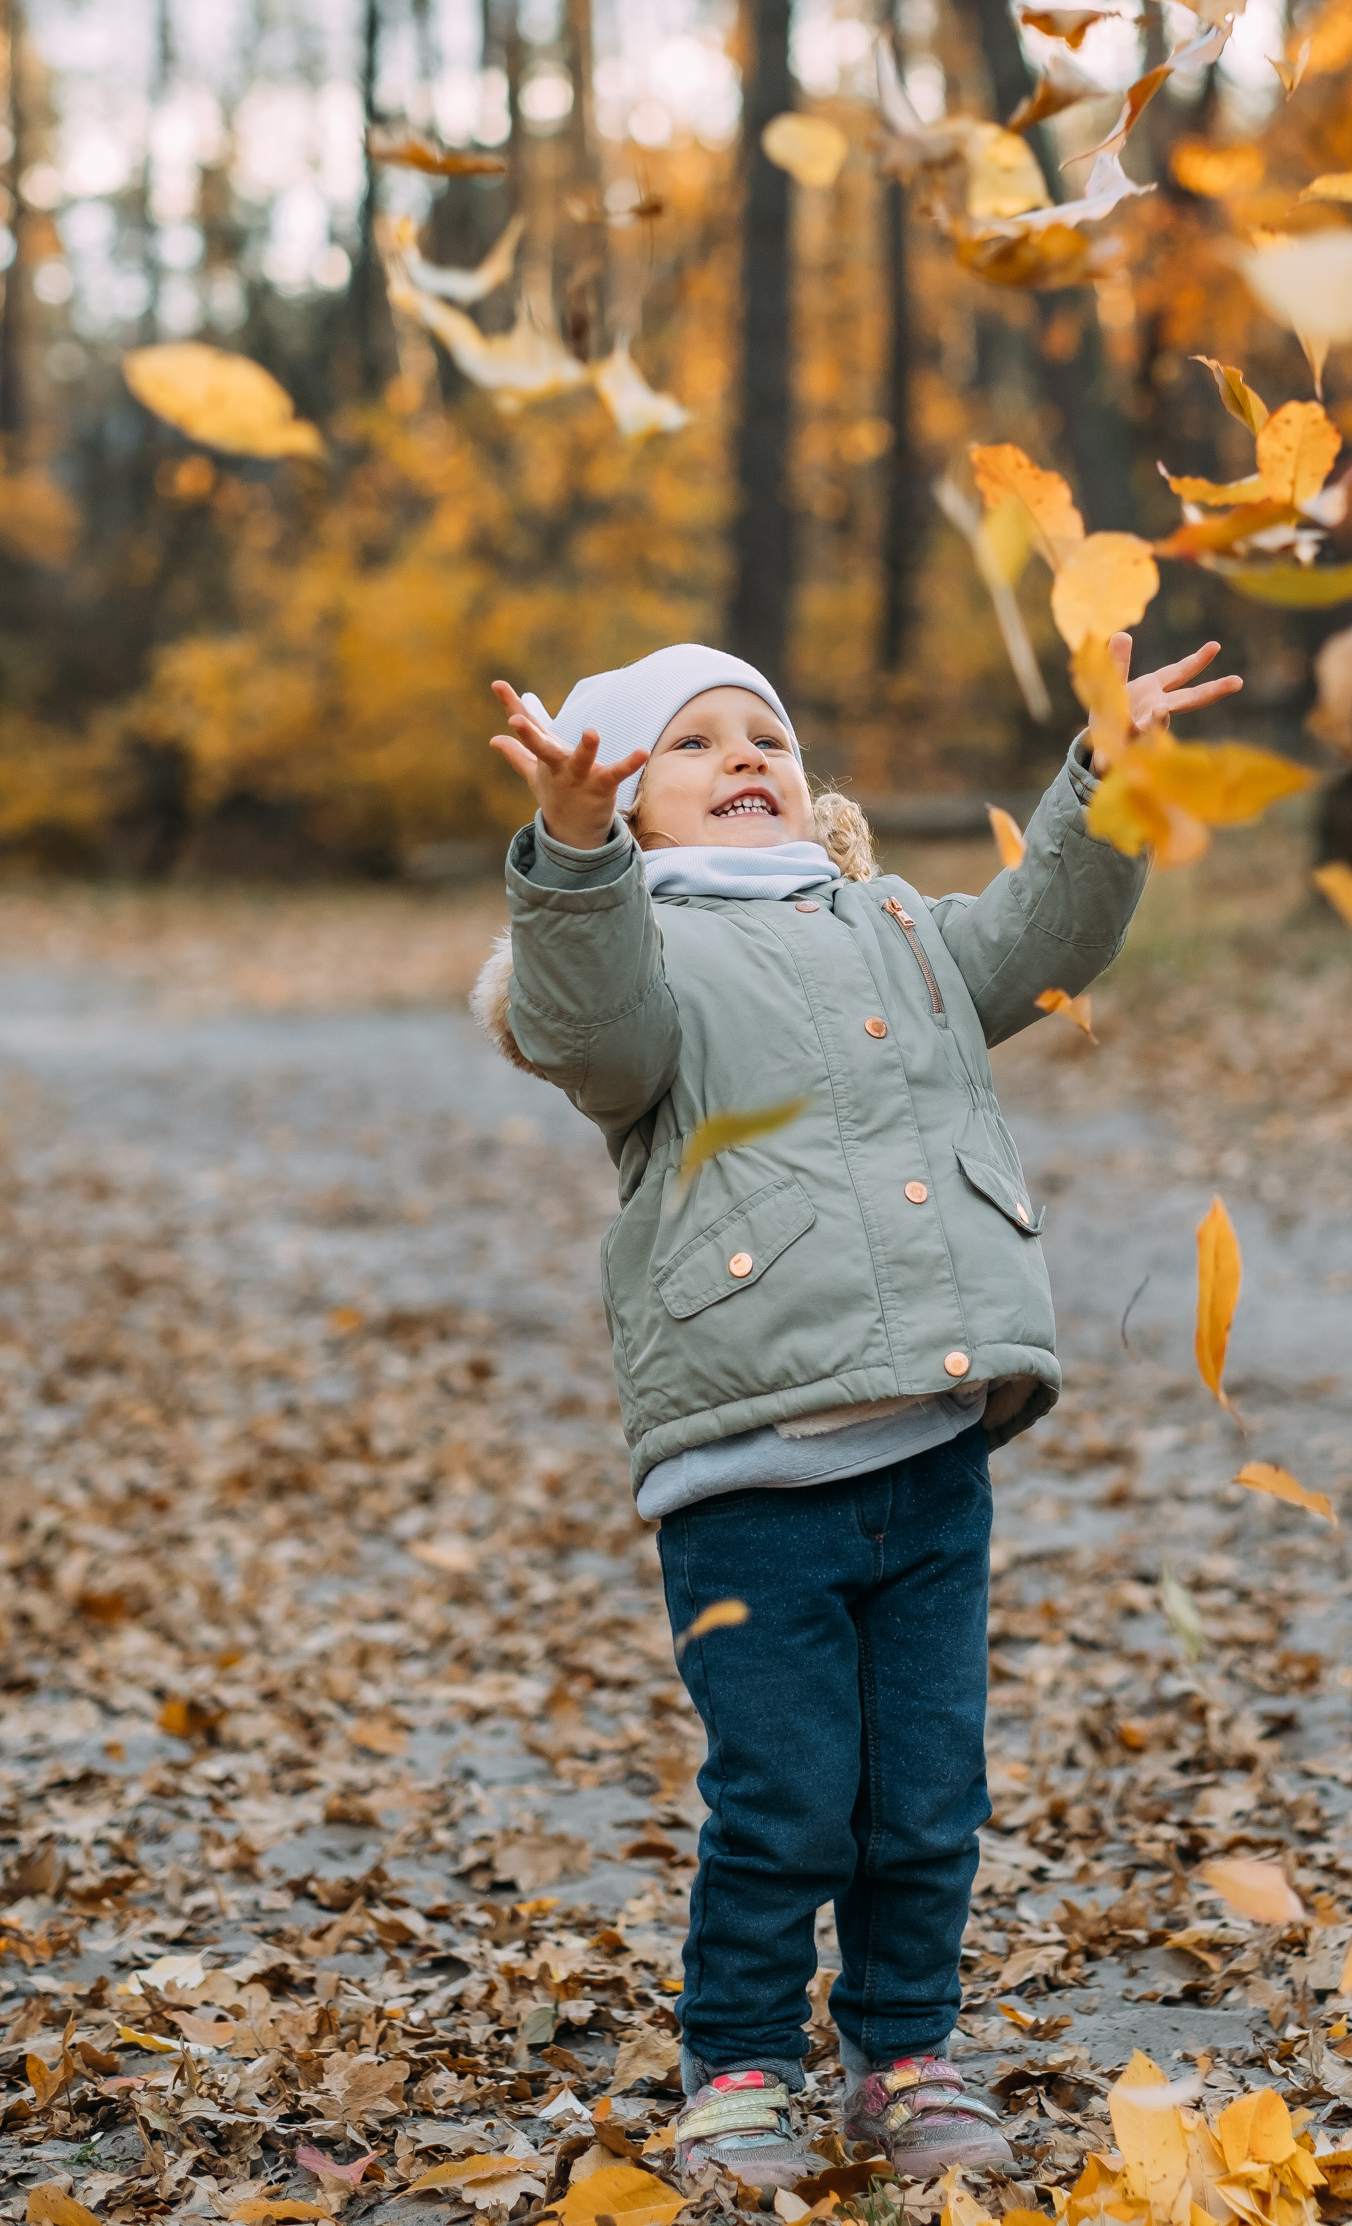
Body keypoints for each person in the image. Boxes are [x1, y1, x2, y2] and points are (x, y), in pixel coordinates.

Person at [475, 635, 1239, 2198]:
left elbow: (1046, 939)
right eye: (690, 744)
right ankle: (740, 2061)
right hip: (753, 1476)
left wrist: (1107, 774)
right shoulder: (640, 959)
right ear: (632, 804)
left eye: (766, 730)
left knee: (925, 1797)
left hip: (933, 1459)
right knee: (784, 1800)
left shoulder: (895, 923)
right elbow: (586, 1025)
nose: (745, 752)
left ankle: (904, 2053)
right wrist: (567, 852)